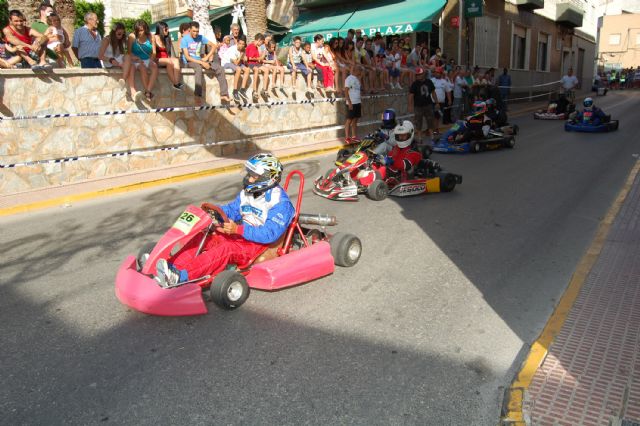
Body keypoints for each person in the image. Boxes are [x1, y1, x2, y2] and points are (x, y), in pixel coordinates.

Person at [155, 153, 295, 287]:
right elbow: (232, 210)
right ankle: (170, 267)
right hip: (241, 236)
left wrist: (238, 229)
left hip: (258, 245)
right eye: (249, 174)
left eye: (253, 176)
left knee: (226, 249)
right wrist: (212, 212)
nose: (248, 179)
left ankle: (182, 276)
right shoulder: (248, 194)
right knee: (205, 237)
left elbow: (269, 234)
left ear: (267, 178)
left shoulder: (281, 204)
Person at [180, 21, 230, 104]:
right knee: (198, 68)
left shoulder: (201, 37)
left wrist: (206, 57)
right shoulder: (184, 40)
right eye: (194, 31)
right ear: (190, 30)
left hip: (200, 60)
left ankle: (224, 94)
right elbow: (187, 57)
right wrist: (202, 62)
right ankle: (197, 96)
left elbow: (214, 46)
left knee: (220, 68)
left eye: (197, 31)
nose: (196, 33)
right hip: (189, 62)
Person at [128, 20, 158, 102]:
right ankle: (148, 93)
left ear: (146, 29)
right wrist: (136, 59)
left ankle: (148, 90)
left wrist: (151, 60)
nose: (139, 32)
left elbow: (154, 52)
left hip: (148, 58)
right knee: (143, 68)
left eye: (141, 30)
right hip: (136, 60)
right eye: (137, 30)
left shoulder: (151, 36)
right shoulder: (132, 36)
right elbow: (129, 52)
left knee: (154, 67)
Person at [153, 22, 184, 91]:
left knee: (175, 60)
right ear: (161, 29)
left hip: (167, 60)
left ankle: (176, 83)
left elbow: (170, 53)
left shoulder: (167, 38)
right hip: (157, 59)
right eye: (166, 29)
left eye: (168, 29)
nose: (168, 31)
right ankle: (176, 83)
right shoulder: (154, 38)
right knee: (169, 61)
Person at [408, 67, 436, 144]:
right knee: (418, 122)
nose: (418, 76)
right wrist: (410, 106)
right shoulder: (414, 84)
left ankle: (432, 137)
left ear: (423, 74)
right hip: (418, 107)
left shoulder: (429, 82)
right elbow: (411, 95)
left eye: (420, 74)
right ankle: (420, 138)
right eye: (417, 75)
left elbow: (433, 92)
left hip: (428, 105)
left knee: (430, 121)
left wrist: (436, 102)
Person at [99, 22, 131, 89]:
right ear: (114, 32)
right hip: (107, 61)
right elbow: (100, 56)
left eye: (123, 34)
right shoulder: (106, 40)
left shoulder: (120, 41)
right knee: (128, 63)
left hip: (116, 60)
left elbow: (122, 55)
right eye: (119, 34)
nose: (121, 36)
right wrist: (110, 60)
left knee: (128, 58)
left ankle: (123, 80)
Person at [222, 38, 250, 102]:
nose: (241, 45)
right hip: (226, 63)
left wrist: (245, 60)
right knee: (238, 69)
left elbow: (245, 64)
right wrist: (241, 56)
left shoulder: (243, 50)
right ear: (237, 43)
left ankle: (242, 90)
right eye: (240, 44)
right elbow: (236, 63)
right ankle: (235, 91)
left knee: (247, 69)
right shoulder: (233, 49)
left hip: (236, 63)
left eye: (243, 44)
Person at [245, 33, 268, 101]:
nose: (262, 44)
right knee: (256, 69)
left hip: (256, 63)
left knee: (266, 70)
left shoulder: (256, 47)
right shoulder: (251, 46)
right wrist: (258, 58)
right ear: (259, 40)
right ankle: (254, 90)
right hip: (251, 63)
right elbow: (250, 58)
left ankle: (264, 89)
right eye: (262, 42)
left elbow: (257, 57)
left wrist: (260, 58)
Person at [344, 65, 362, 143]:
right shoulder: (349, 78)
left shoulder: (357, 79)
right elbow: (346, 90)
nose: (360, 72)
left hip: (358, 102)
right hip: (352, 103)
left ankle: (354, 136)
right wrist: (350, 103)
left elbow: (357, 91)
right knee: (349, 120)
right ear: (355, 70)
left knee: (355, 120)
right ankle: (347, 137)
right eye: (360, 70)